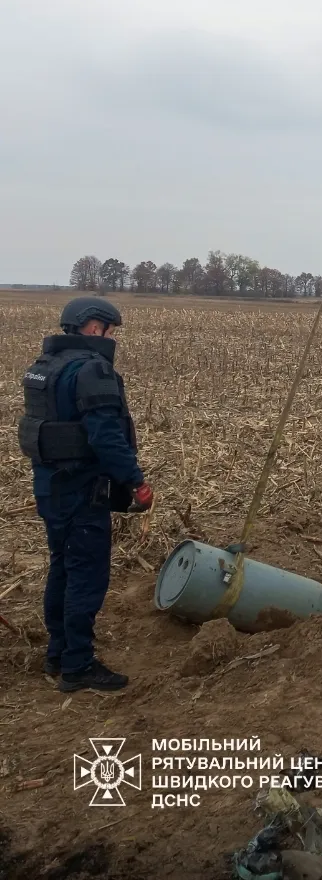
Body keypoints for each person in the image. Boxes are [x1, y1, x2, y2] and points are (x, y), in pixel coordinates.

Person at [18, 296, 154, 692]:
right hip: (82, 492)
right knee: (87, 578)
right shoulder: (92, 370)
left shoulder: (44, 366)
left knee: (63, 567)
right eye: (110, 330)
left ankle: (58, 653)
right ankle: (78, 665)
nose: (112, 337)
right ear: (94, 327)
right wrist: (136, 482)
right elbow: (106, 439)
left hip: (50, 488)